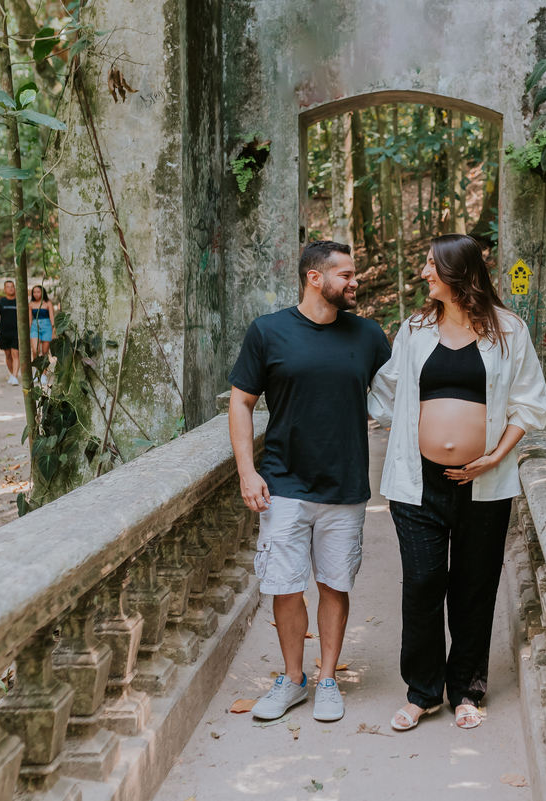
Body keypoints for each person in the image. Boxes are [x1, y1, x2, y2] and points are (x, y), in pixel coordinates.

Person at [368, 234, 546, 733]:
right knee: (423, 584)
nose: (423, 273)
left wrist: (492, 456)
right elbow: (385, 392)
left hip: (485, 483)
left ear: (457, 271)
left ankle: (466, 690)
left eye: (431, 264)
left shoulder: (508, 330)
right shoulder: (415, 328)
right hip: (418, 482)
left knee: (473, 588)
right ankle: (422, 692)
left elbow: (530, 402)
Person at [228, 240, 391, 724]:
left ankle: (326, 681)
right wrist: (246, 470)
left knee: (335, 585)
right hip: (282, 482)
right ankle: (293, 679)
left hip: (344, 484)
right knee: (285, 585)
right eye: (345, 274)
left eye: (354, 273)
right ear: (314, 278)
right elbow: (241, 402)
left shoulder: (368, 336)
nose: (354, 281)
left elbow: (401, 395)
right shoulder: (268, 331)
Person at [0, 280, 20, 385]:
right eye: (8, 287)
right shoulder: (0, 302)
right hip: (4, 332)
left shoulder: (19, 302)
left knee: (15, 354)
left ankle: (15, 376)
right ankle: (13, 374)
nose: (10, 288)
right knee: (8, 354)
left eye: (12, 286)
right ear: (4, 289)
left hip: (16, 332)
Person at [29, 285, 55, 386]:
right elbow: (30, 319)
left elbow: (52, 317)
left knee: (45, 352)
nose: (36, 294)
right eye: (34, 292)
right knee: (35, 350)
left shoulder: (48, 303)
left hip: (47, 327)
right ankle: (36, 370)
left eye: (38, 292)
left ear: (42, 292)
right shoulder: (31, 304)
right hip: (35, 327)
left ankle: (43, 373)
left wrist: (54, 330)